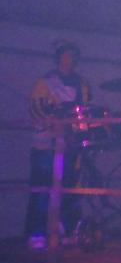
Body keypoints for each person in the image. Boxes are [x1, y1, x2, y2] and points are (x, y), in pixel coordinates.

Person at [25, 41, 91, 250]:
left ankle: (64, 231)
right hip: (46, 144)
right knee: (42, 189)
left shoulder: (82, 84)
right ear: (58, 58)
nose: (71, 59)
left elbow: (85, 111)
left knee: (69, 189)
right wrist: (56, 121)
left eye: (74, 55)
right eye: (67, 54)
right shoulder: (45, 82)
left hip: (71, 145)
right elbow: (36, 110)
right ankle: (36, 233)